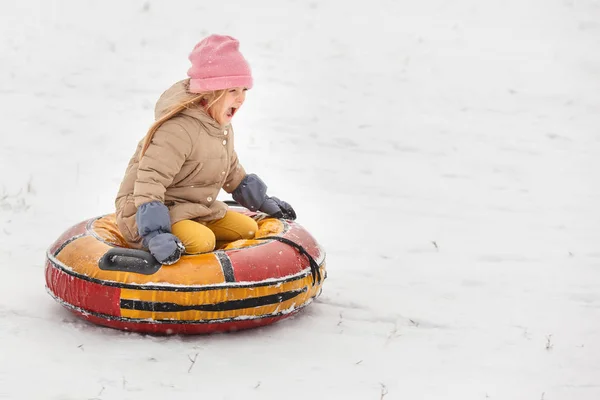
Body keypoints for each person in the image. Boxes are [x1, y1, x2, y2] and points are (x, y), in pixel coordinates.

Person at [114, 34, 296, 265]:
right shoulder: (177, 129)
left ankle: (191, 232)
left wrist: (263, 201)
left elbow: (231, 171)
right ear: (210, 92)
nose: (240, 99)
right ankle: (172, 245)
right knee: (202, 242)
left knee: (248, 229)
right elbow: (150, 184)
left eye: (244, 90)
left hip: (192, 209)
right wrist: (155, 233)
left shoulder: (220, 127)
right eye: (232, 91)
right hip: (145, 215)